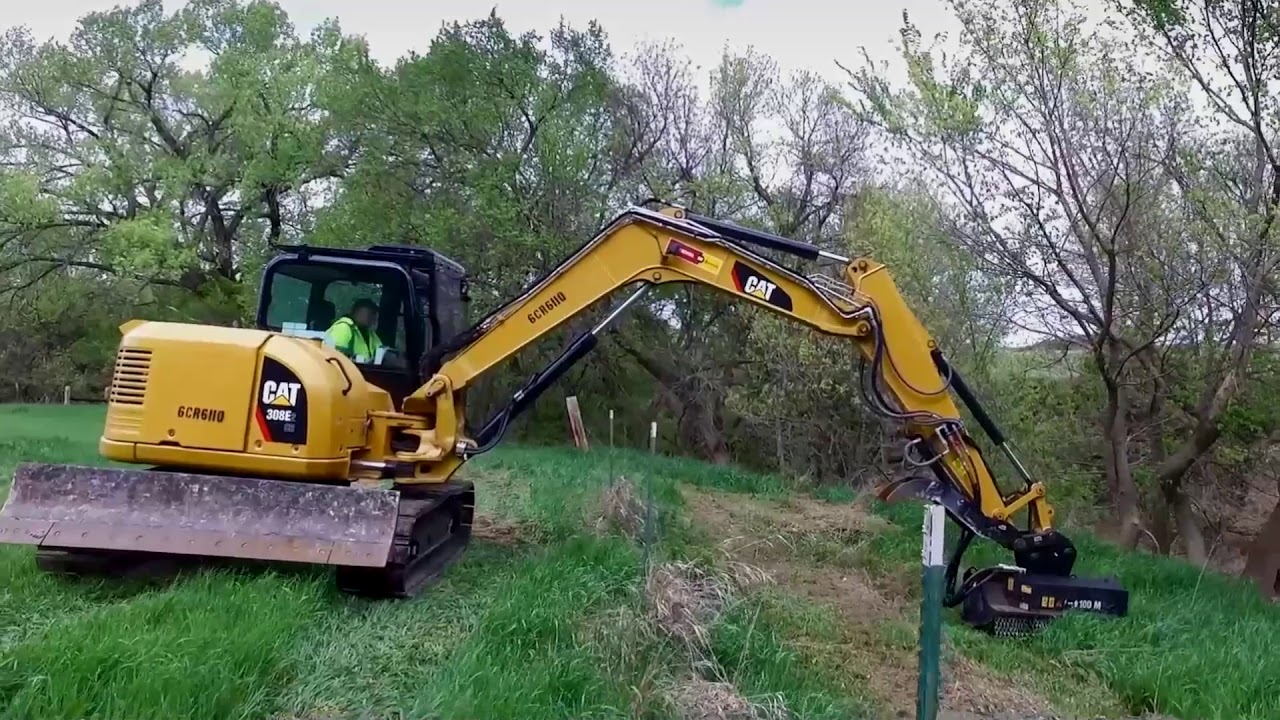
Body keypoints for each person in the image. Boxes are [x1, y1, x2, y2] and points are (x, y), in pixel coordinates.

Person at [325, 298, 384, 363]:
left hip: (366, 372)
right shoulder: (343, 328)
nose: (374, 317)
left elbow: (383, 353)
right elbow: (334, 357)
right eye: (371, 313)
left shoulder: (371, 335)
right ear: (357, 312)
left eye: (375, 314)